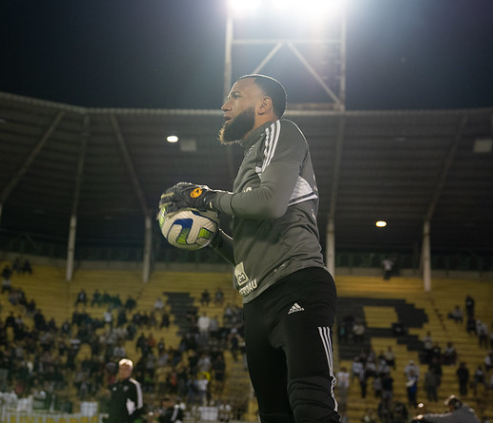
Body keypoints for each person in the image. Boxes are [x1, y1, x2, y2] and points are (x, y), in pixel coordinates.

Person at [158, 74, 338, 423]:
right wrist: (211, 238)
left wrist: (206, 198)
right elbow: (250, 248)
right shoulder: (252, 159)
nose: (225, 105)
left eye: (236, 96)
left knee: (311, 407)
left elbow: (270, 204)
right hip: (257, 302)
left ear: (263, 105)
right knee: (274, 416)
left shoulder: (280, 133)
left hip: (296, 284)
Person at [107, 358, 144, 423]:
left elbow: (139, 406)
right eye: (121, 369)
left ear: (130, 371)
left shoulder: (134, 385)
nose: (123, 371)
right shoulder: (115, 385)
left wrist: (130, 419)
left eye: (125, 369)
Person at [415, 395, 481, 423]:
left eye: (449, 406)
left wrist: (424, 416)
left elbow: (442, 418)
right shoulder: (466, 412)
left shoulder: (458, 414)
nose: (449, 409)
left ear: (452, 406)